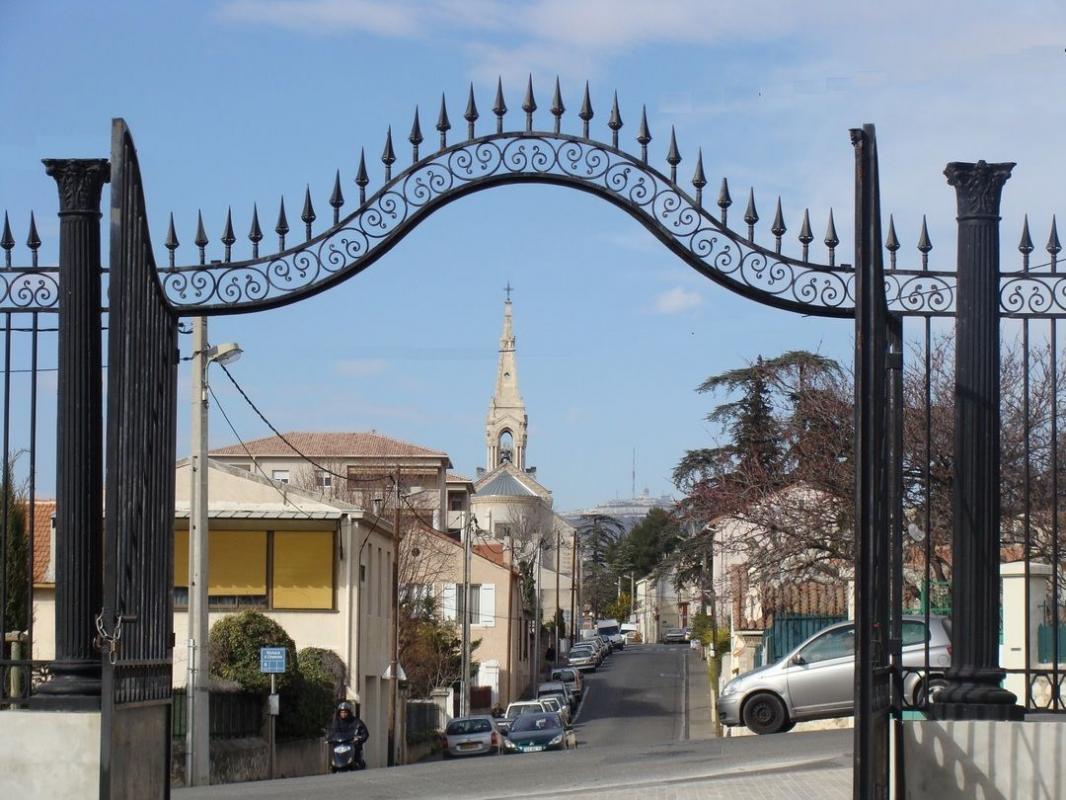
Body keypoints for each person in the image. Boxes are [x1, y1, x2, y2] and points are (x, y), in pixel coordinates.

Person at [327, 701, 369, 768]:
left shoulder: (356, 722)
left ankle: (358, 764)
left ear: (349, 713)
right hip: (339, 745)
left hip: (352, 745)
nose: (343, 714)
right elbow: (331, 732)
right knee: (332, 759)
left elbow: (365, 733)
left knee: (357, 756)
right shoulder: (335, 723)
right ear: (339, 713)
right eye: (342, 712)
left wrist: (359, 738)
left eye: (345, 712)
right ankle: (334, 765)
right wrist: (329, 738)